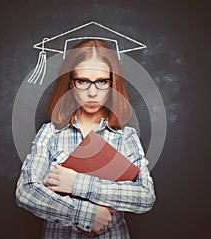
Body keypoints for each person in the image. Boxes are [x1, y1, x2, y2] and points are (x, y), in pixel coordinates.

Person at [15, 39, 156, 238]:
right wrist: (85, 214)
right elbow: (26, 191)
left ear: (112, 84)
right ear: (71, 83)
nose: (92, 92)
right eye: (83, 81)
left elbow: (145, 196)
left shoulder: (126, 137)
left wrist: (77, 183)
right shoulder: (50, 133)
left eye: (101, 82)